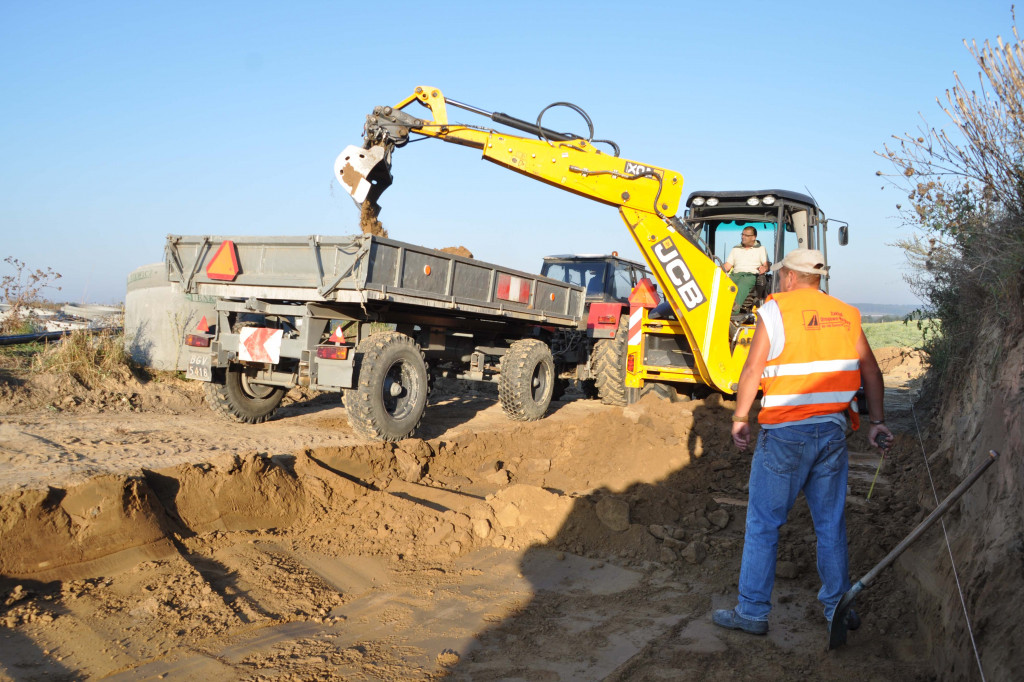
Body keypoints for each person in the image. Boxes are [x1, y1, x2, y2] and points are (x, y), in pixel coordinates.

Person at [713, 248, 893, 636]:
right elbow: (872, 371)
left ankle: (752, 612)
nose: (779, 281)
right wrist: (877, 422)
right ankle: (837, 609)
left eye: (781, 276)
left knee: (763, 524)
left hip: (783, 435)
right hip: (830, 433)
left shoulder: (775, 311)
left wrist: (741, 418)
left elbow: (751, 370)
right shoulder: (846, 314)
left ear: (791, 277)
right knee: (830, 525)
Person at [723, 227, 769, 314]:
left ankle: (733, 313)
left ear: (754, 237)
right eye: (742, 234)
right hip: (735, 274)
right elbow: (727, 266)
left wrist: (764, 268)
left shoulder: (761, 249)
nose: (743, 237)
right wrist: (717, 269)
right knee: (723, 284)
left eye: (746, 235)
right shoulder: (735, 248)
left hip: (750, 275)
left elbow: (766, 265)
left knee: (741, 285)